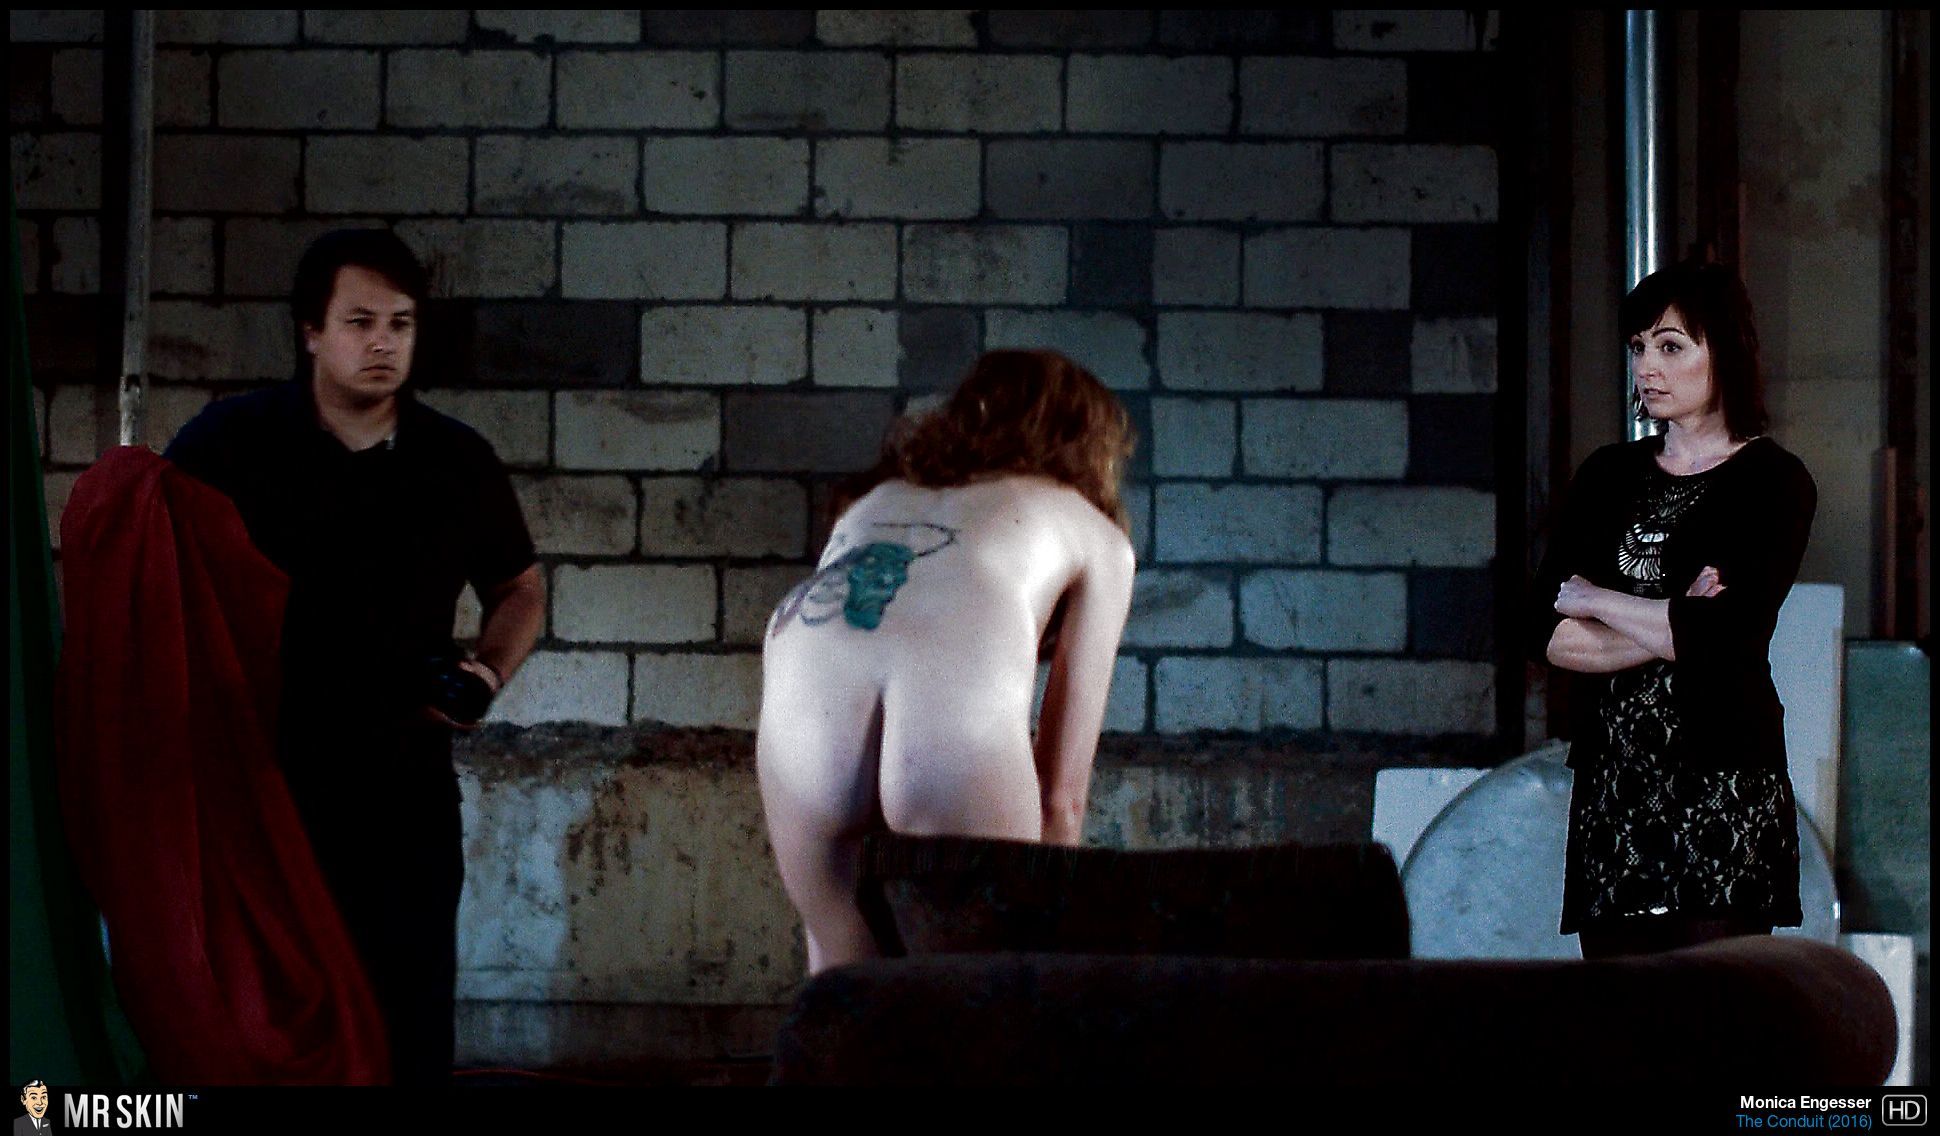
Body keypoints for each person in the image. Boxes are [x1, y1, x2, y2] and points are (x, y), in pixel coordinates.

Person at [163, 229, 544, 1081]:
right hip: (262, 781)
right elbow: (153, 564)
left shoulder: (456, 460)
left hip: (403, 784)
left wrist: (487, 671)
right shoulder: (230, 443)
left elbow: (520, 586)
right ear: (311, 331)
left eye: (400, 324)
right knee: (263, 1020)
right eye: (360, 321)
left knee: (403, 1016)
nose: (383, 343)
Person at [757, 349, 1138, 975]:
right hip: (951, 736)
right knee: (985, 1001)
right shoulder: (1094, 534)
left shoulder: (870, 504)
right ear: (1087, 441)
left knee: (843, 995)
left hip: (806, 718)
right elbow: (1061, 799)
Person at [1532, 259, 1817, 959]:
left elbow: (1730, 637)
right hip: (1615, 788)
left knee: (1716, 1007)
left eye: (1670, 346)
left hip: (1724, 784)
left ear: (1725, 353)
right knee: (1620, 1012)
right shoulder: (1607, 475)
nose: (1647, 368)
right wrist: (1675, 619)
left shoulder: (1773, 481)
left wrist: (1599, 600)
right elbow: (1549, 633)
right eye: (1638, 348)